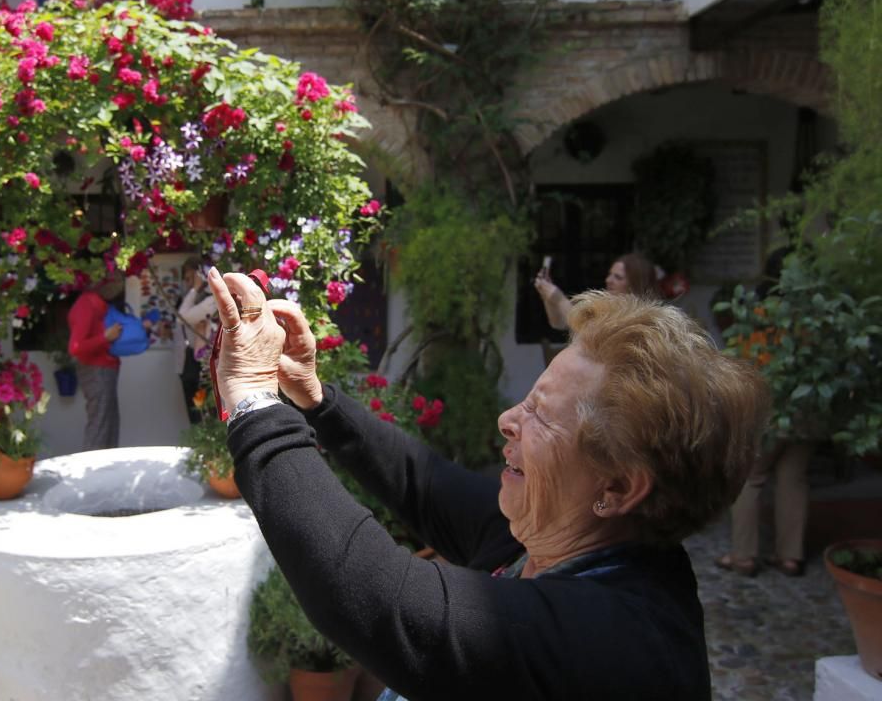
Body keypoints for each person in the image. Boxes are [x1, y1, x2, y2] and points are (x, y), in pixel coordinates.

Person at [207, 269, 769, 700]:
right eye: (528, 397)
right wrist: (313, 396)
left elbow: (375, 599)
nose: (507, 418)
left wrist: (254, 403)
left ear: (620, 488)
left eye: (542, 416)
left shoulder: (616, 638)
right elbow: (422, 483)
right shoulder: (554, 536)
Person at [716, 247, 810, 578]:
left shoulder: (758, 314)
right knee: (794, 479)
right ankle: (790, 556)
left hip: (768, 409)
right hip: (805, 407)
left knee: (749, 479)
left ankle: (743, 556)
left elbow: (744, 363)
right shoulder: (813, 313)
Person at [67, 274, 126, 451]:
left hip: (105, 370)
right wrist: (105, 337)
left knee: (109, 424)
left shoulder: (99, 304)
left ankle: (107, 472)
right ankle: (91, 474)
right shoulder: (87, 304)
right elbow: (76, 347)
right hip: (95, 370)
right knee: (100, 425)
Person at [534, 252, 657, 330]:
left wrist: (559, 299)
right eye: (610, 274)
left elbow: (588, 332)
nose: (608, 280)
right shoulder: (607, 307)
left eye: (618, 277)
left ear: (635, 285)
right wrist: (547, 296)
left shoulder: (640, 318)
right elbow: (559, 323)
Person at [173, 257, 217, 425]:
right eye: (186, 279)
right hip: (187, 362)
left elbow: (182, 318)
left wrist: (196, 289)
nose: (189, 283)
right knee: (195, 411)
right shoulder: (185, 299)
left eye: (192, 278)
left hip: (201, 361)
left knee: (206, 412)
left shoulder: (208, 299)